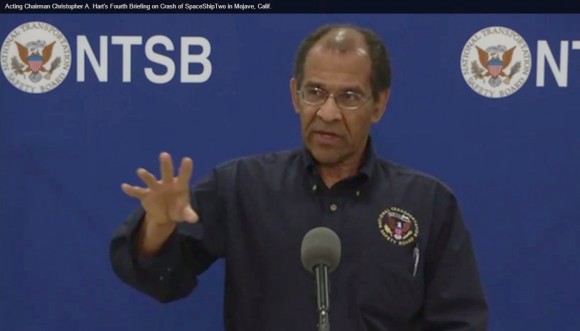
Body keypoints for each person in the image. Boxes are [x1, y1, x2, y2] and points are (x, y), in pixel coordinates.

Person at [109, 23, 489, 331]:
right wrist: (157, 227)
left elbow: (460, 321)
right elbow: (161, 280)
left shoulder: (427, 203)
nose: (327, 112)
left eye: (349, 97)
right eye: (316, 92)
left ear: (379, 103)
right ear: (295, 94)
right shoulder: (241, 187)